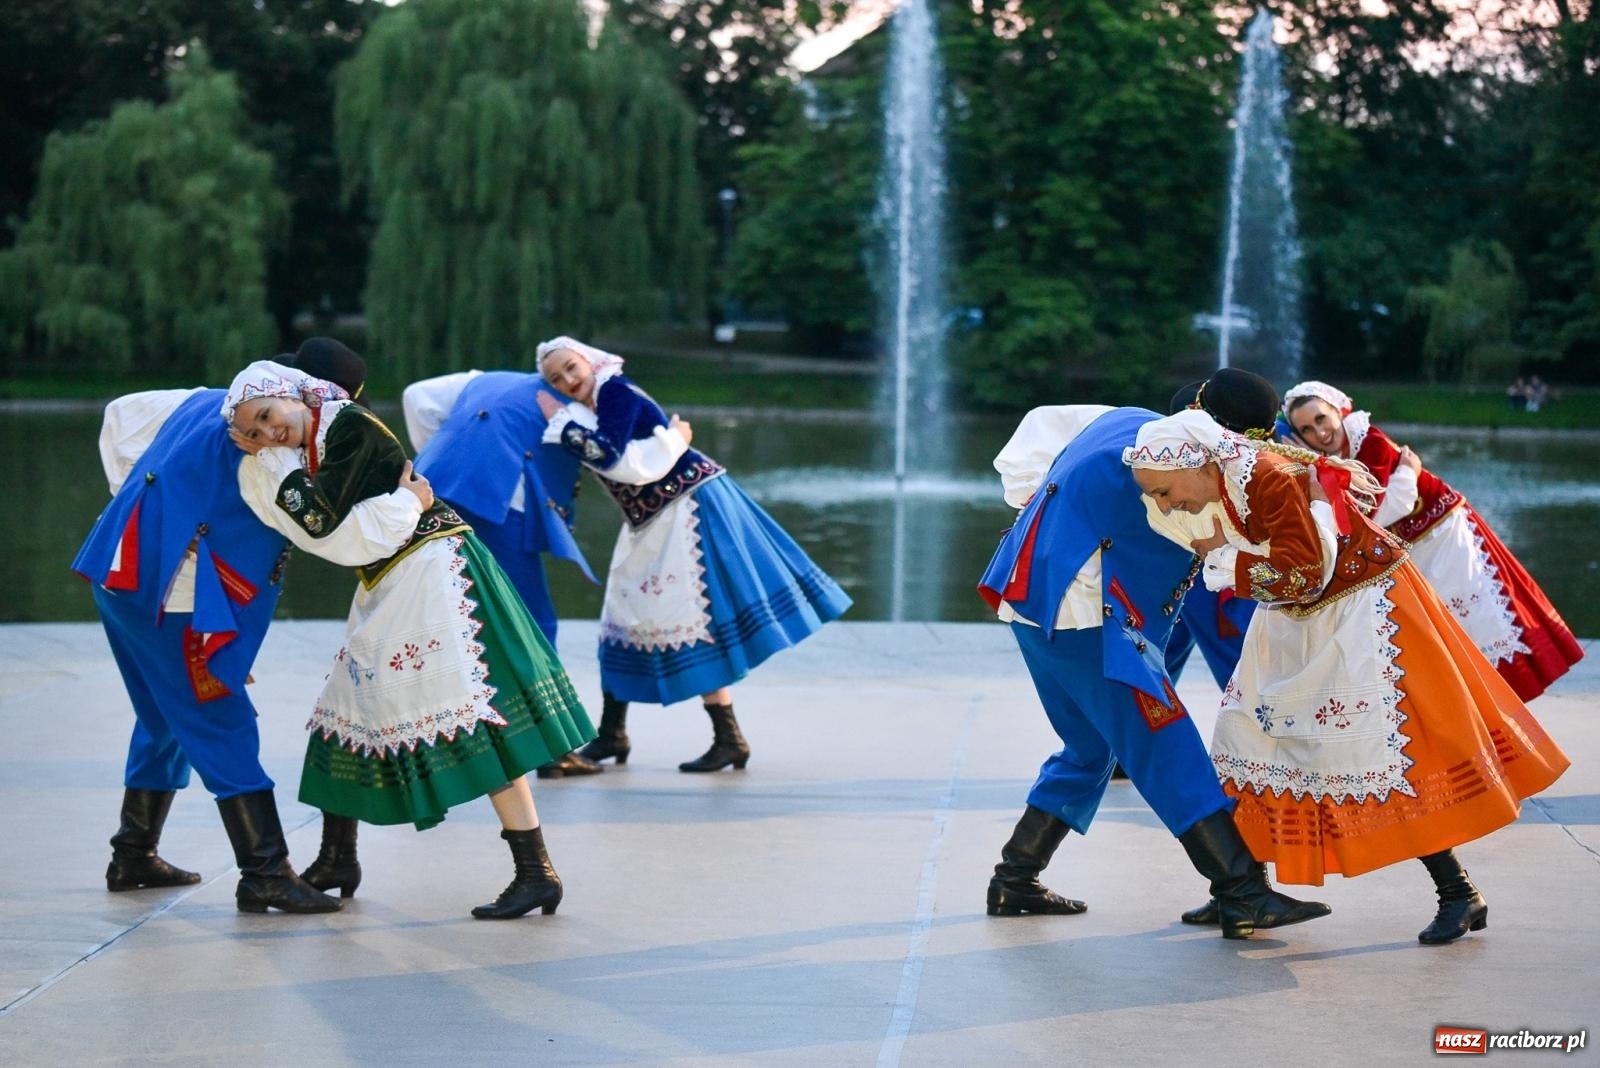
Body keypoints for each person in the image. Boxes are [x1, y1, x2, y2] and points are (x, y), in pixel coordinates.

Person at [1125, 410, 1570, 943]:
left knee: (1378, 753)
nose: (1165, 504)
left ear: (1196, 464)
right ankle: (1242, 893)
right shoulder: (1228, 475)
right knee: (1246, 736)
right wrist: (1224, 553)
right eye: (1154, 496)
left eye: (1165, 491)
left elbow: (1305, 572)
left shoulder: (1269, 479)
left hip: (1361, 608)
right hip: (1299, 614)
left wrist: (1223, 559)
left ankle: (1459, 893)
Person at [225, 359, 595, 919]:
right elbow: (321, 529)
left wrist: (286, 465)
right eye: (251, 431)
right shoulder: (305, 444)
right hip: (390, 573)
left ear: (295, 395)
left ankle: (535, 870)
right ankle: (337, 858)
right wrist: (277, 459)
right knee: (344, 704)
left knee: (473, 712)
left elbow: (324, 528)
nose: (267, 434)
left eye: (269, 416)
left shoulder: (349, 426)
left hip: (433, 565)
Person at [977, 405, 1330, 939]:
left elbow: (1040, 428)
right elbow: (1281, 562)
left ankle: (1015, 877)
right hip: (1084, 619)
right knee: (1167, 743)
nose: (1165, 499)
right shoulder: (1189, 486)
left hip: (1030, 600)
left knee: (1092, 747)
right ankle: (1241, 891)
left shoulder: (1126, 419)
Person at [73, 360, 383, 914]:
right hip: (177, 601)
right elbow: (330, 540)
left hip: (123, 578)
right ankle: (264, 872)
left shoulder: (209, 400)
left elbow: (120, 414)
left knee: (165, 717)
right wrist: (411, 507)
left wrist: (142, 506)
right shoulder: (272, 463)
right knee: (222, 720)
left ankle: (134, 853)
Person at [533, 336, 852, 772]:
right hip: (652, 517)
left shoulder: (614, 391)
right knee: (624, 614)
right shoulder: (589, 405)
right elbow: (626, 458)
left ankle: (725, 738)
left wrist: (568, 429)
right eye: (556, 377)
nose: (567, 379)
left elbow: (614, 459)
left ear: (589, 361)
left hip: (685, 508)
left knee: (695, 618)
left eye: (571, 367)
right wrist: (668, 439)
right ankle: (615, 734)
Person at [1281, 380, 1582, 700]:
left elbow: (1383, 511)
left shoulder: (1367, 441)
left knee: (1474, 617)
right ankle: (1474, 705)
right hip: (1417, 547)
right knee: (1442, 631)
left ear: (1338, 411)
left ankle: (1499, 699)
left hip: (1444, 535)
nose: (1320, 431)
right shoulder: (1334, 458)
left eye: (1321, 418)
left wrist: (1407, 476)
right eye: (1308, 429)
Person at [402, 367, 613, 780]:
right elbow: (618, 462)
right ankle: (551, 748)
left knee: (451, 620)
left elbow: (416, 396)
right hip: (498, 508)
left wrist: (448, 458)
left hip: (435, 498)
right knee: (533, 623)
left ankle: (437, 742)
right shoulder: (581, 415)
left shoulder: (484, 378)